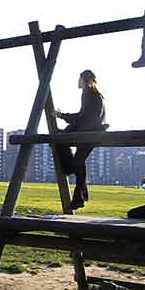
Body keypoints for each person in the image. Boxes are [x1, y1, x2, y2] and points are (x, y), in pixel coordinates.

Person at [54, 70, 107, 210]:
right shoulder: (95, 94)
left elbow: (83, 117)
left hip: (88, 133)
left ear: (84, 79)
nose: (78, 81)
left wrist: (62, 116)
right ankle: (79, 197)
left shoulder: (88, 92)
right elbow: (85, 116)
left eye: (79, 79)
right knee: (79, 161)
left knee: (63, 146)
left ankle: (69, 170)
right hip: (92, 132)